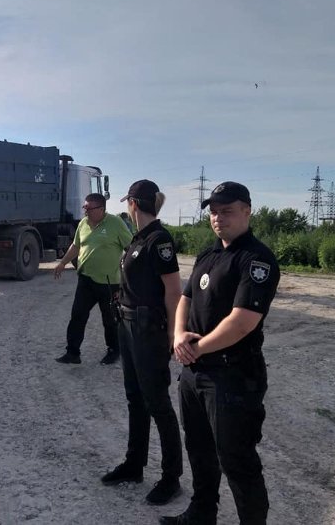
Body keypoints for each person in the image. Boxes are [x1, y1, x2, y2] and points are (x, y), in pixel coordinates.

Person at [161, 182, 280, 525]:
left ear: (247, 211)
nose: (218, 218)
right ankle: (202, 513)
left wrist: (195, 348)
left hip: (232, 375)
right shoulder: (209, 254)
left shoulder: (256, 259)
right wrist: (179, 335)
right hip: (195, 372)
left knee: (236, 459)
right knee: (199, 449)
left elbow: (242, 322)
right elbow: (185, 299)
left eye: (227, 211)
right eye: (213, 212)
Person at [101, 179, 184, 505]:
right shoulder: (139, 238)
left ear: (133, 203)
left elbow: (174, 291)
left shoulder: (159, 240)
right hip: (128, 326)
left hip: (148, 331)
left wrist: (173, 334)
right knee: (135, 399)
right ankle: (134, 464)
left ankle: (171, 477)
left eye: (127, 202)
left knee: (157, 404)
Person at [54, 193, 133, 365]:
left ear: (101, 209)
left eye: (88, 208)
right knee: (77, 316)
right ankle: (72, 353)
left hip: (109, 283)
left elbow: (131, 248)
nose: (85, 211)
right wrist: (63, 263)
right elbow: (76, 246)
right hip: (86, 280)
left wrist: (129, 275)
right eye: (85, 207)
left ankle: (113, 350)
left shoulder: (115, 223)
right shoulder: (83, 223)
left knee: (110, 320)